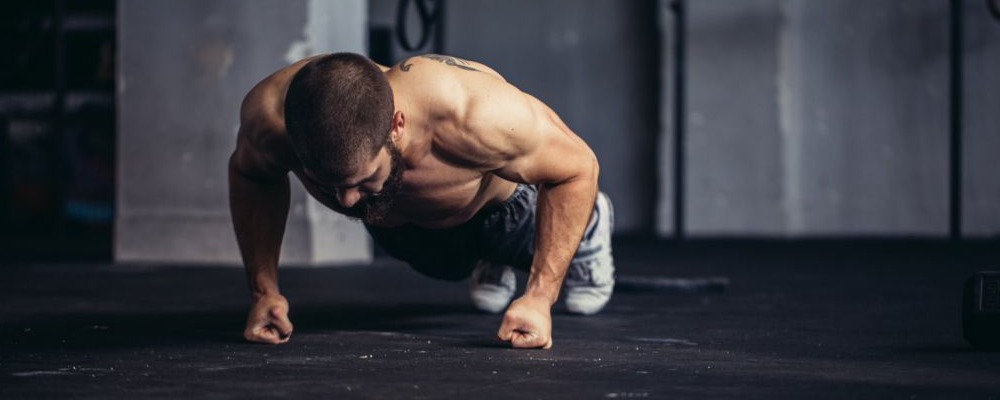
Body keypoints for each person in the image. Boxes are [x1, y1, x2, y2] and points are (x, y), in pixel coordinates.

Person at [229, 53, 615, 349]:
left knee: (532, 232)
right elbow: (252, 175)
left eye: (362, 180)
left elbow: (577, 167)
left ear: (396, 126)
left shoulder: (473, 113)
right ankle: (486, 262)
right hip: (408, 230)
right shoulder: (270, 117)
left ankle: (593, 222)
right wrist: (264, 292)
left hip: (502, 216)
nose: (346, 202)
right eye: (328, 184)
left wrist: (540, 298)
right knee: (444, 267)